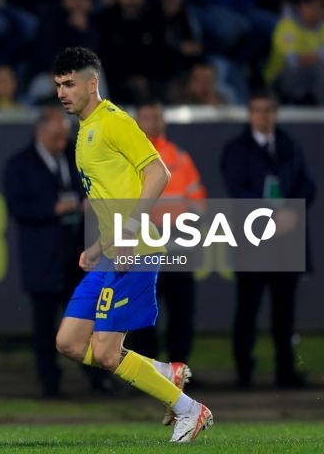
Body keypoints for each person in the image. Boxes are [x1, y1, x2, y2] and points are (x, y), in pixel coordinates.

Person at [51, 47, 212, 443]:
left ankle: (190, 410)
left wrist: (127, 230)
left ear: (92, 83)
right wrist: (98, 246)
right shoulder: (85, 131)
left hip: (137, 250)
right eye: (57, 85)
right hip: (111, 252)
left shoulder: (113, 122)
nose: (62, 92)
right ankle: (160, 372)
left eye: (69, 84)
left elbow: (159, 173)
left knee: (107, 353)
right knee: (69, 343)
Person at [4, 107, 109, 397]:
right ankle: (50, 383)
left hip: (75, 255)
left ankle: (97, 380)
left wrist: (87, 202)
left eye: (65, 136)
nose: (63, 141)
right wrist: (51, 210)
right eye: (56, 136)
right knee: (44, 324)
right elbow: (17, 207)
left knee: (86, 320)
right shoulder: (20, 164)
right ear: (39, 133)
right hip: (42, 258)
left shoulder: (74, 157)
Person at [220, 88, 316, 389]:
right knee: (247, 308)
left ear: (276, 113)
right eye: (258, 110)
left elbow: (307, 185)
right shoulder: (237, 149)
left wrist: (291, 213)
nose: (264, 116)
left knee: (284, 312)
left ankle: (285, 371)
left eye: (269, 110)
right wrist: (272, 216)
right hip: (254, 241)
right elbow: (238, 191)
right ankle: (244, 372)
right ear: (250, 114)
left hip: (286, 242)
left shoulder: (289, 146)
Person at [126, 101, 207, 421]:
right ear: (137, 122)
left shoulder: (179, 157)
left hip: (176, 248)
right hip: (144, 249)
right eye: (147, 116)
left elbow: (198, 202)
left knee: (181, 315)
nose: (153, 121)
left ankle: (179, 373)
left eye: (157, 116)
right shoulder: (128, 157)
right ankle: (146, 377)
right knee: (143, 317)